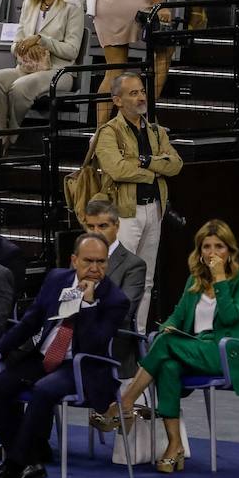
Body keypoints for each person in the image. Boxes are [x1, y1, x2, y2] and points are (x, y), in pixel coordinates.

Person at [104, 219, 239, 475]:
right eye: (206, 247)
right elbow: (177, 317)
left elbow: (231, 316)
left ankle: (124, 403)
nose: (212, 253)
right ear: (199, 251)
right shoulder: (195, 280)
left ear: (230, 250)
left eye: (219, 246)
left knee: (166, 345)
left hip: (227, 352)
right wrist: (167, 327)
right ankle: (174, 445)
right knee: (168, 365)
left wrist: (220, 279)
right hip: (194, 349)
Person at [0, 232, 129, 478]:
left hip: (82, 365)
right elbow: (30, 321)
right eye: (88, 261)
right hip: (44, 357)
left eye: (101, 262)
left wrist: (89, 304)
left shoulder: (115, 300)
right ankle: (28, 460)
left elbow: (94, 345)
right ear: (74, 260)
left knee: (43, 390)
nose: (95, 268)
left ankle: (15, 464)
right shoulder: (57, 279)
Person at [95, 71, 183, 331]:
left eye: (142, 91)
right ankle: (116, 336)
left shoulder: (155, 130)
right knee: (120, 277)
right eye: (133, 93)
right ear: (117, 100)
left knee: (146, 279)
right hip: (125, 213)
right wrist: (153, 171)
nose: (141, 97)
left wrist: (146, 161)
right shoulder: (109, 132)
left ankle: (139, 336)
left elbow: (176, 164)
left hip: (154, 210)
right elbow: (117, 169)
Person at [0, 0, 85, 136]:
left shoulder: (73, 7)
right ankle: (0, 132)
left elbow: (72, 51)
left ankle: (11, 135)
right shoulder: (29, 5)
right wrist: (25, 47)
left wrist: (42, 40)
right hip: (27, 68)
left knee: (20, 87)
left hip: (59, 72)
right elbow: (15, 44)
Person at [82, 199, 148, 338]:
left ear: (117, 226)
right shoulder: (79, 258)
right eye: (91, 227)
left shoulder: (134, 266)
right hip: (71, 332)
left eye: (102, 226)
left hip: (108, 338)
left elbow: (122, 313)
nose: (96, 233)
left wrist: (89, 303)